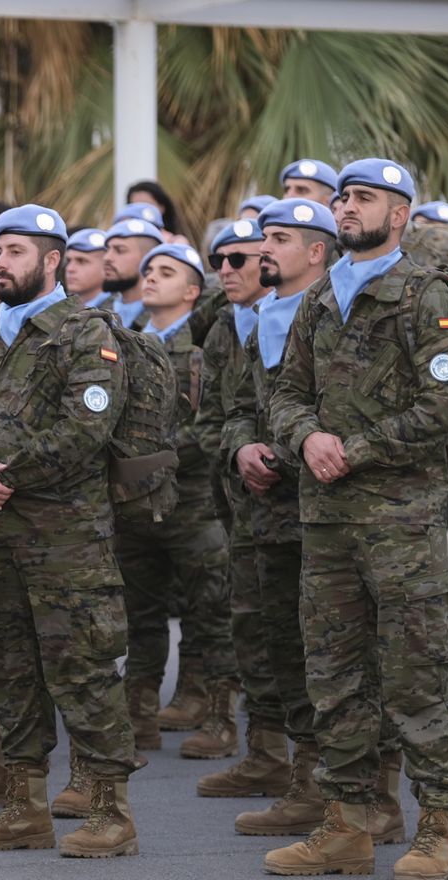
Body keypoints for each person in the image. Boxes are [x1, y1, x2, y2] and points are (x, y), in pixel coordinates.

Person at [266, 159, 448, 880]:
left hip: (400, 520)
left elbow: (444, 407)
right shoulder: (321, 298)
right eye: (344, 197)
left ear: (401, 215)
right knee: (336, 674)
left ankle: (437, 828)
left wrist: (352, 448)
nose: (348, 208)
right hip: (327, 523)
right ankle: (348, 823)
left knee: (417, 674)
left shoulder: (424, 294)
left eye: (366, 198)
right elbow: (285, 395)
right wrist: (305, 437)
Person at [0, 204, 139, 859]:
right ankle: (24, 804)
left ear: (52, 262)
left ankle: (110, 810)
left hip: (66, 540)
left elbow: (87, 428)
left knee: (83, 671)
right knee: (10, 672)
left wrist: (6, 473)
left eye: (15, 251)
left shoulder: (85, 334)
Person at [220, 198, 336, 838]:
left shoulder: (339, 315)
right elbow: (238, 405)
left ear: (316, 252)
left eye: (280, 239)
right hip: (266, 515)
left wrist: (291, 451)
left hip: (326, 512)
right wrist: (241, 446)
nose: (264, 249)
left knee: (338, 655)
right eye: (264, 237)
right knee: (285, 651)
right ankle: (305, 778)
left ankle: (358, 790)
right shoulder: (259, 317)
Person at [114, 243, 233, 757]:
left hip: (192, 502)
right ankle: (139, 716)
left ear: (191, 291)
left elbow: (211, 426)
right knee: (139, 615)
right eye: (148, 271)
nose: (151, 279)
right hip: (134, 504)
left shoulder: (201, 351)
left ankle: (215, 714)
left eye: (166, 272)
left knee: (211, 612)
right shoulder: (123, 344)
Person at [192, 217, 293, 801]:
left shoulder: (305, 317)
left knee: (309, 638)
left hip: (304, 502)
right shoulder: (223, 333)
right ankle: (266, 753)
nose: (227, 271)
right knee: (253, 630)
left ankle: (326, 775)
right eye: (220, 262)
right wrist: (241, 451)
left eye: (240, 259)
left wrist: (277, 453)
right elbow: (213, 421)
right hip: (243, 504)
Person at [97, 217, 163, 328]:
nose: (107, 258)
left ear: (148, 259)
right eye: (107, 250)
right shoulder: (98, 313)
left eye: (120, 250)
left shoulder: (163, 318)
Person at [64, 228, 108, 305]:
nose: (70, 269)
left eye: (81, 261)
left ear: (107, 267)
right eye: (69, 261)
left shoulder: (120, 310)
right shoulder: (58, 305)